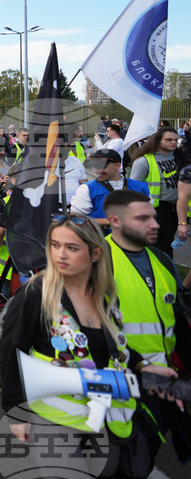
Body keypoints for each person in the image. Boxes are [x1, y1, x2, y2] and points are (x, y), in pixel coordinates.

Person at [0, 211, 182, 477]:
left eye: (72, 248)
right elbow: (10, 350)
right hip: (53, 420)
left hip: (101, 418)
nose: (60, 255)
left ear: (95, 253)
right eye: (55, 245)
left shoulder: (105, 294)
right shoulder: (36, 294)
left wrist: (143, 365)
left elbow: (114, 347)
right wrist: (15, 412)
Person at [103, 190, 191, 459]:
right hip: (120, 382)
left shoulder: (161, 260)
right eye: (143, 219)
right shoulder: (97, 263)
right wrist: (140, 366)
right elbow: (90, 331)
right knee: (127, 460)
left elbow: (176, 320)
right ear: (115, 221)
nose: (155, 224)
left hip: (164, 376)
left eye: (153, 217)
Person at [129, 127, 184, 255]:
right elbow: (134, 189)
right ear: (158, 140)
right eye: (169, 140)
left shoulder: (180, 157)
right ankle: (161, 266)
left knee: (167, 242)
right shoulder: (144, 161)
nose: (173, 142)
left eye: (175, 140)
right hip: (156, 208)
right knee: (162, 245)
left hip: (178, 207)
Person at [70, 150, 150, 228]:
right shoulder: (87, 189)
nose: (96, 170)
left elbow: (149, 215)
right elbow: (74, 219)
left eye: (101, 166)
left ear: (117, 166)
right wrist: (111, 221)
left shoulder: (140, 187)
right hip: (101, 236)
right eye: (94, 166)